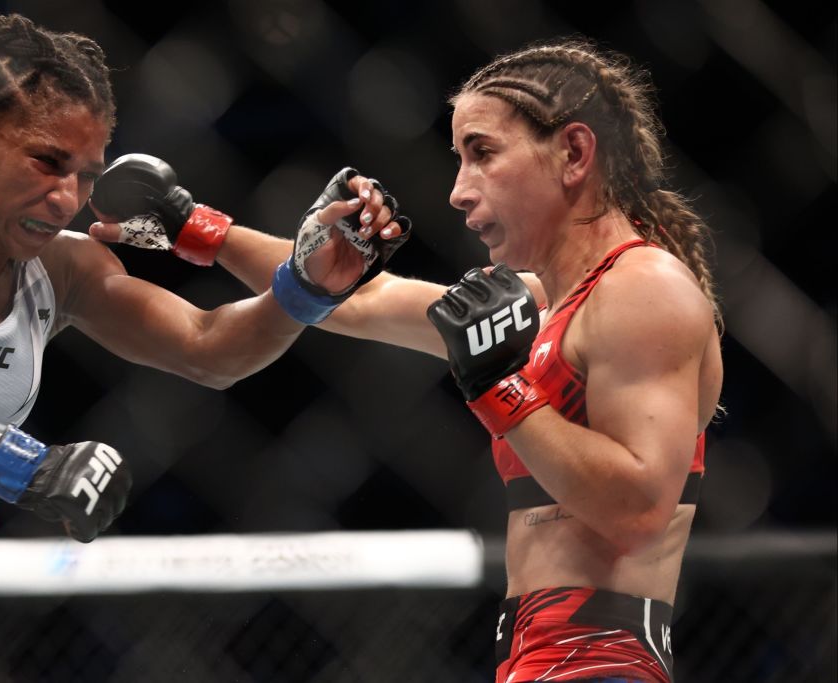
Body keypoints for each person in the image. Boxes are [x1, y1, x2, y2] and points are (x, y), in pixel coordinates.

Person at [0, 13, 408, 683]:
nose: (66, 199)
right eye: (47, 162)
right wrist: (11, 459)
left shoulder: (60, 267)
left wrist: (307, 286)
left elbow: (209, 348)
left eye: (86, 176)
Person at [93, 40, 721, 683]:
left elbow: (639, 512)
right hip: (537, 660)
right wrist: (192, 224)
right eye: (458, 159)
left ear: (573, 153)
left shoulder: (644, 289)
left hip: (603, 664)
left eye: (483, 153)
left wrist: (499, 387)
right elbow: (359, 302)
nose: (457, 191)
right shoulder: (545, 305)